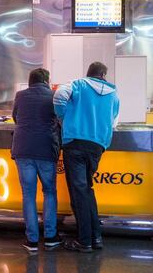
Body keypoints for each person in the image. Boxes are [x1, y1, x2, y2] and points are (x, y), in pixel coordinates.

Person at [53, 62, 119, 252]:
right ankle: (95, 237)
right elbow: (114, 121)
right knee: (87, 190)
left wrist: (62, 117)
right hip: (97, 145)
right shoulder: (114, 95)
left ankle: (84, 241)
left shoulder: (77, 84)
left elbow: (58, 96)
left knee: (79, 192)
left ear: (88, 73)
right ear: (103, 75)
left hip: (75, 142)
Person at [11, 68, 63, 252]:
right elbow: (60, 119)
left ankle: (32, 240)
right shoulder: (54, 95)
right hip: (46, 149)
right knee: (49, 191)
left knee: (28, 194)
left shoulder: (20, 95)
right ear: (47, 80)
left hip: (23, 149)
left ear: (30, 80)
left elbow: (15, 117)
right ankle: (50, 236)